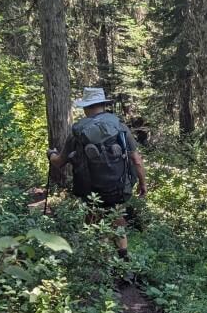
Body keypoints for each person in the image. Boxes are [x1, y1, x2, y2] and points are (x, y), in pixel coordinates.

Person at [48, 87, 147, 263]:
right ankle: (123, 259)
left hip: (89, 189)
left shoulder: (77, 132)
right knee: (117, 218)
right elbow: (136, 160)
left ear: (86, 108)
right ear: (102, 104)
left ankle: (99, 260)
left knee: (93, 218)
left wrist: (51, 154)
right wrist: (142, 183)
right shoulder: (120, 127)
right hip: (118, 187)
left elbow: (59, 162)